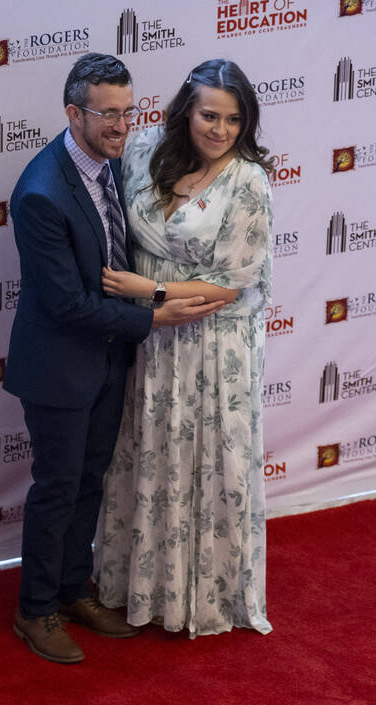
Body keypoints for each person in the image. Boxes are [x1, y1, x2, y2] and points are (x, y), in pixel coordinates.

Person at [5, 53, 224, 664]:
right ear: (73, 113)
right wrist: (153, 317)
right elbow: (70, 305)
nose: (122, 125)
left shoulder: (112, 165)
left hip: (107, 363)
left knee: (89, 482)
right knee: (57, 489)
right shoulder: (40, 194)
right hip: (58, 367)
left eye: (129, 112)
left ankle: (75, 590)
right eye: (107, 114)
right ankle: (36, 610)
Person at [94, 59, 274, 637]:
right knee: (149, 454)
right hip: (151, 343)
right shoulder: (145, 149)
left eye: (233, 119)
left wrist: (152, 291)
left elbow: (234, 282)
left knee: (207, 460)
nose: (220, 130)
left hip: (213, 348)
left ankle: (204, 597)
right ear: (184, 111)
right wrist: (146, 310)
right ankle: (141, 587)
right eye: (209, 115)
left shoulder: (248, 180)